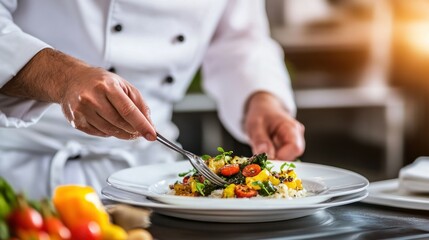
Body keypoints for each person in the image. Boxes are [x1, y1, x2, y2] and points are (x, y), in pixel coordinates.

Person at [0, 0, 305, 199]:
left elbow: (239, 39)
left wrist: (262, 100)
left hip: (149, 182)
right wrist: (62, 77)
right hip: (19, 170)